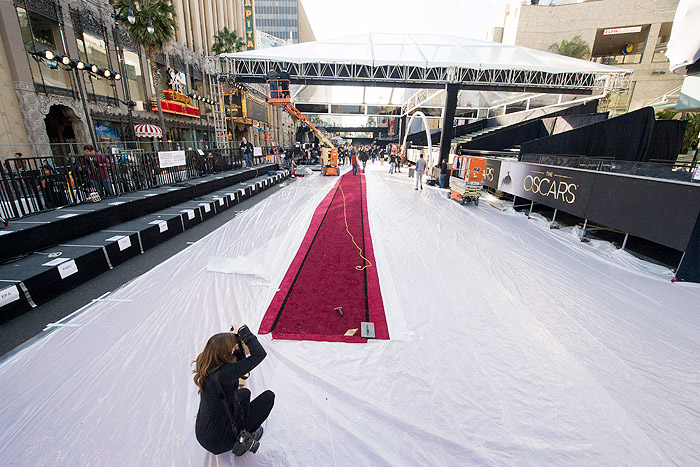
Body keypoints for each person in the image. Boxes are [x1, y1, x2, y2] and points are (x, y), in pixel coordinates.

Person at [194, 324, 275, 456]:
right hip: (219, 441)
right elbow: (259, 354)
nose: (236, 348)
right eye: (233, 347)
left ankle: (237, 429)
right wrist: (243, 330)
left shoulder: (205, 362)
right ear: (226, 352)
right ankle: (242, 441)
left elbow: (238, 361)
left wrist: (231, 339)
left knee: (245, 393)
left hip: (203, 433)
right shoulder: (226, 373)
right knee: (268, 397)